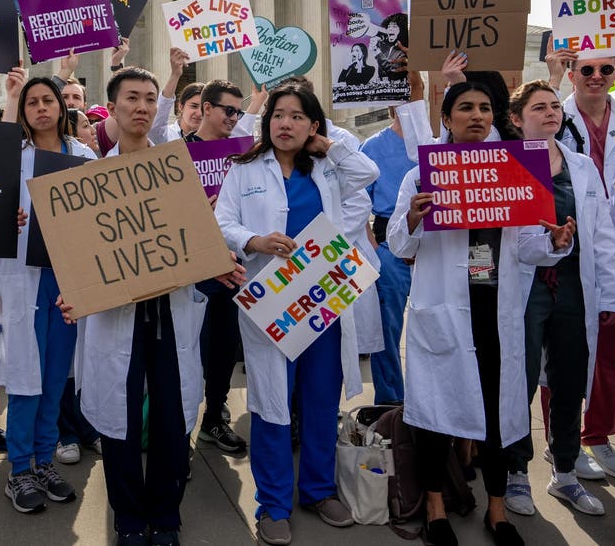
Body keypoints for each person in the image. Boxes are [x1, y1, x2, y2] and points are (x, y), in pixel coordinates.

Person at [62, 66, 244, 546]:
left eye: (148, 99)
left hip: (171, 312)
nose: (141, 107)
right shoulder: (89, 179)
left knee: (170, 415)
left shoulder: (175, 170)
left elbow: (195, 237)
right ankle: (127, 517)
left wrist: (216, 261)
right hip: (116, 317)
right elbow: (79, 256)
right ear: (114, 108)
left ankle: (165, 515)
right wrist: (74, 291)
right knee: (120, 420)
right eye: (131, 99)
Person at [388, 82, 576, 546]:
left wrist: (555, 242)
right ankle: (435, 507)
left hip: (498, 308)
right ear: (447, 118)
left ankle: (497, 509)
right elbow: (398, 244)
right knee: (435, 413)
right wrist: (413, 217)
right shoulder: (422, 175)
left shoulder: (516, 168)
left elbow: (530, 245)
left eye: (485, 108)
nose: (477, 115)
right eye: (465, 108)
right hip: (446, 310)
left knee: (500, 410)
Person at [215, 82, 379, 544]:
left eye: (295, 116)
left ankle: (319, 490)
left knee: (322, 402)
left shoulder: (328, 167)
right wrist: (255, 241)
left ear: (312, 126)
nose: (284, 123)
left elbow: (366, 175)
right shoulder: (244, 169)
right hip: (272, 304)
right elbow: (223, 221)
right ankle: (272, 504)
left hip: (322, 302)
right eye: (277, 115)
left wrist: (328, 146)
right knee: (272, 404)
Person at [499, 81, 615, 517]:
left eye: (555, 106)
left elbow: (603, 232)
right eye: (539, 107)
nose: (551, 112)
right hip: (524, 286)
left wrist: (611, 295)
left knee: (570, 380)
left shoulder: (582, 166)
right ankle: (516, 473)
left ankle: (565, 472)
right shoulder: (504, 164)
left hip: (573, 286)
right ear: (516, 119)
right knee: (521, 379)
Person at [0, 74, 97, 513]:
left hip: (68, 281)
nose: (42, 108)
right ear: (23, 111)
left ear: (62, 107)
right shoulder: (11, 156)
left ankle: (45, 461)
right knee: (25, 378)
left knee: (56, 375)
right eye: (32, 103)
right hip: (21, 278)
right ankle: (19, 470)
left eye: (49, 100)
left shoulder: (83, 155)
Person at [551, 50, 615, 482]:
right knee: (562, 353)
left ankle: (598, 437)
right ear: (571, 74)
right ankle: (560, 442)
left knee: (611, 348)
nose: (596, 77)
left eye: (606, 69)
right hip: (565, 249)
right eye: (587, 69)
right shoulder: (555, 117)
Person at [184, 80, 249, 455]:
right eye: (229, 110)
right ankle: (180, 428)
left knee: (224, 347)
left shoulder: (241, 155)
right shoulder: (178, 152)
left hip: (232, 264)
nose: (234, 118)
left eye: (239, 112)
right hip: (192, 264)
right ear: (206, 108)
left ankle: (214, 419)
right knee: (188, 349)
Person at [359, 107, 414, 405]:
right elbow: (355, 199)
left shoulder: (435, 142)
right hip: (389, 247)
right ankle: (391, 402)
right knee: (388, 328)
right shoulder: (372, 147)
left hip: (433, 247)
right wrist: (374, 247)